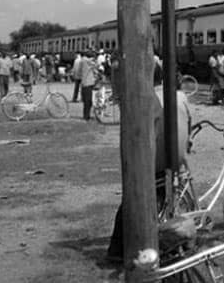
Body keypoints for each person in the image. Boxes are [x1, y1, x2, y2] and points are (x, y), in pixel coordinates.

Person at [107, 78, 190, 263]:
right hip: (174, 158)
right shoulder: (181, 97)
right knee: (155, 197)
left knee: (136, 199)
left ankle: (117, 248)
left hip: (149, 161)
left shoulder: (143, 98)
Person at [80, 50, 100, 121]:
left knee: (86, 101)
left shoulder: (82, 60)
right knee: (88, 101)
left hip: (84, 83)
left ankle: (86, 115)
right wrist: (95, 59)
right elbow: (97, 65)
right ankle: (86, 116)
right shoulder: (86, 61)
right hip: (88, 83)